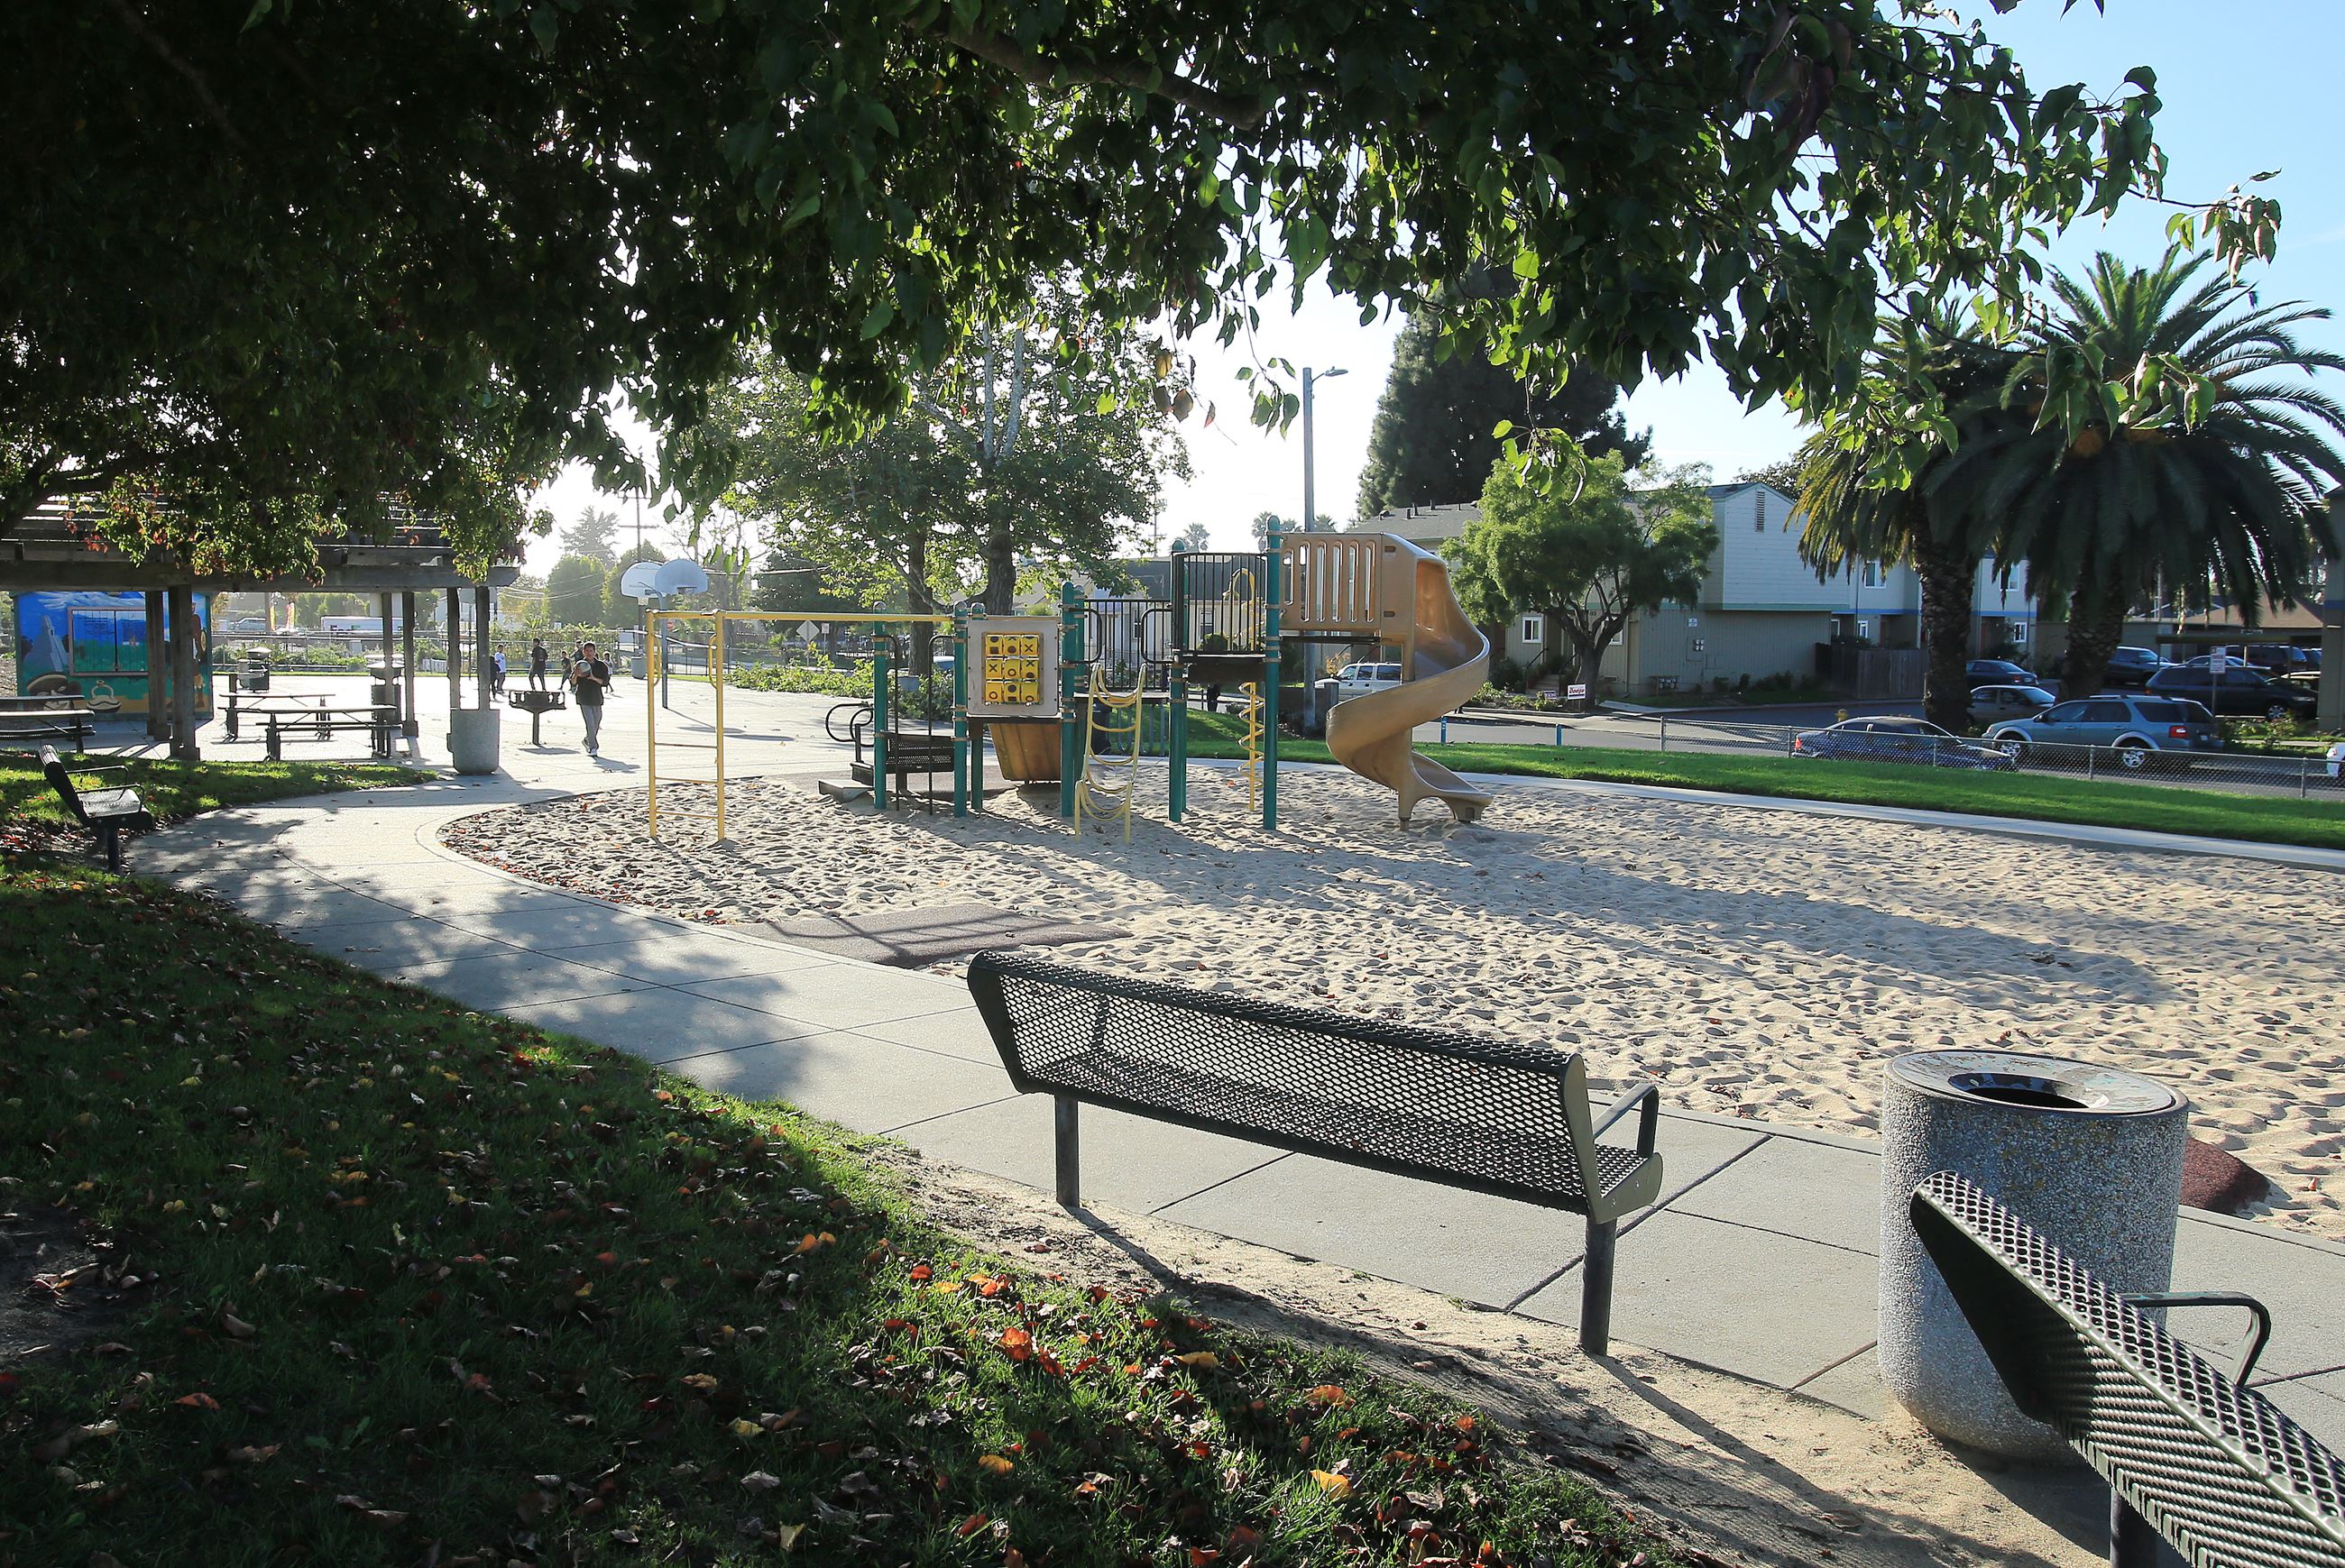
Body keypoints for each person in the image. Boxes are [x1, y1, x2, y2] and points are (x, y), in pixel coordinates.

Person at [570, 640, 611, 756]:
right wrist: (576, 675)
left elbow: (605, 682)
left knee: (596, 725)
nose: (589, 653)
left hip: (597, 698)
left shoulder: (601, 666)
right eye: (587, 651)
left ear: (594, 652)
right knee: (590, 724)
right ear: (583, 652)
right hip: (584, 698)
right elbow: (573, 683)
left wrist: (593, 678)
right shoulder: (580, 665)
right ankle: (593, 747)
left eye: (591, 651)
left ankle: (587, 740)